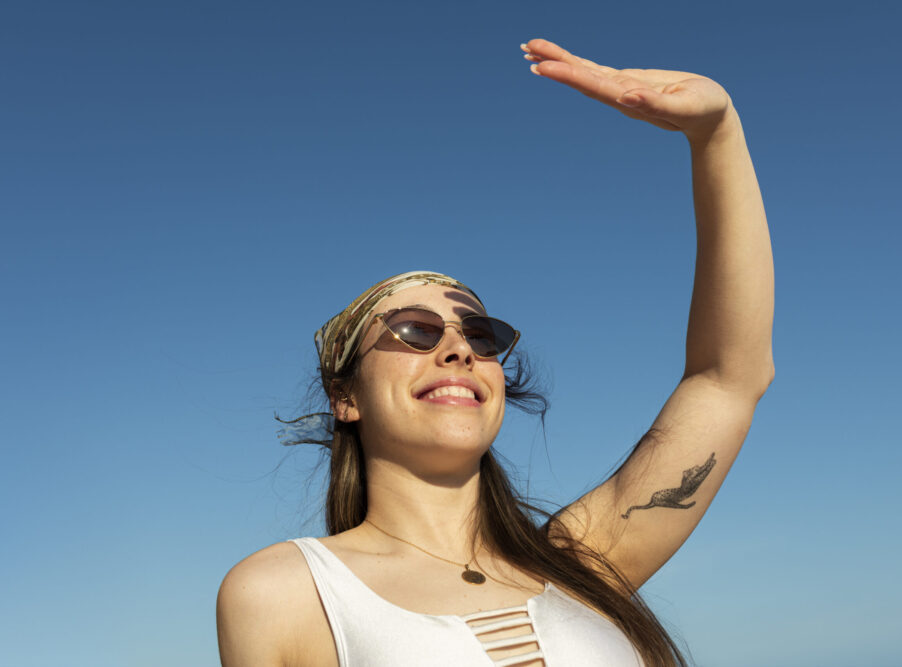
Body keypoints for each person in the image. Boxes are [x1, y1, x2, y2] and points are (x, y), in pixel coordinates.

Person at [217, 38, 774, 667]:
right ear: (345, 396)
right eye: (414, 330)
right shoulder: (288, 593)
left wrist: (716, 136)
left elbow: (728, 378)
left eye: (480, 336)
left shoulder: (585, 561)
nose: (458, 347)